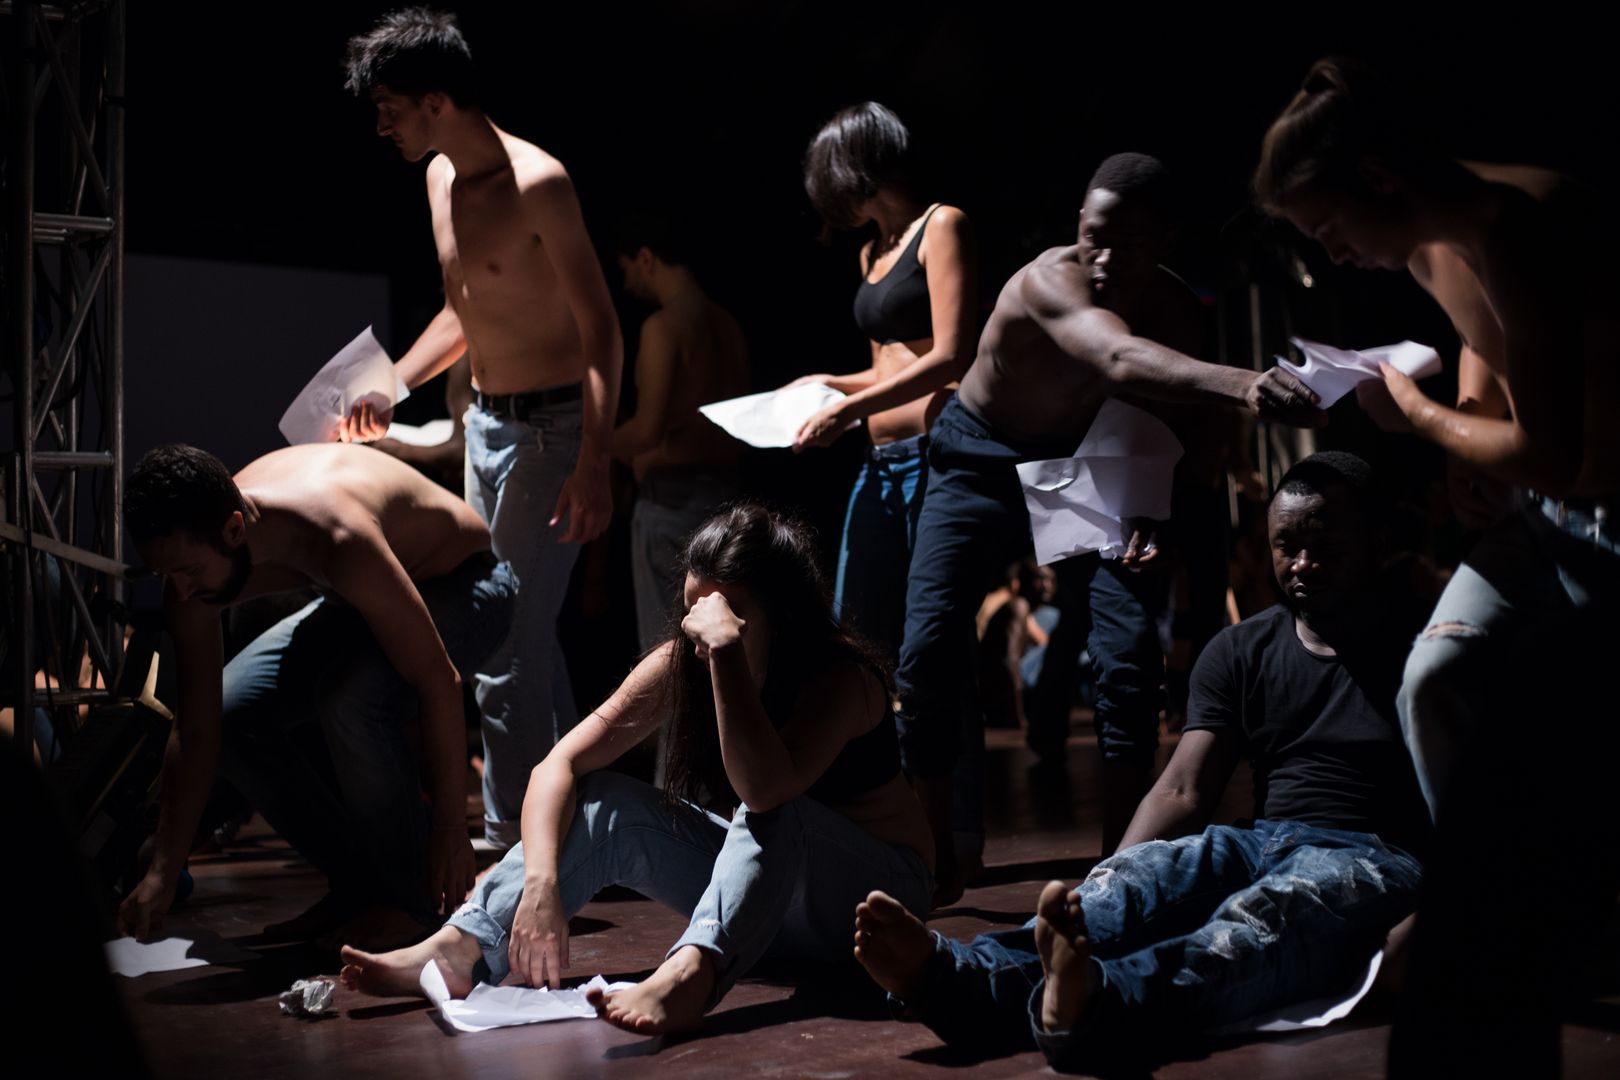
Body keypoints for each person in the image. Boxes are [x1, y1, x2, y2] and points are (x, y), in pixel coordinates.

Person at [1255, 57, 1620, 1073]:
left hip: (1607, 521)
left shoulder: (1523, 223)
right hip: (1544, 522)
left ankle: (1536, 921)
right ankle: (1508, 913)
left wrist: (1416, 415)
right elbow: (1488, 355)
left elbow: (1551, 449)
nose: (1333, 256)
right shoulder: (1426, 251)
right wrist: (1469, 429)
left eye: (1330, 229)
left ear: (1378, 178)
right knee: (1437, 675)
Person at [853, 452, 1429, 1072]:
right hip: (1259, 841)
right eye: (1286, 546)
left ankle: (1102, 999)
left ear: (1376, 542)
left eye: (1326, 547)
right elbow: (1182, 791)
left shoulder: (1426, 645)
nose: (1302, 564)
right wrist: (1107, 885)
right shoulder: (1242, 649)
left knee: (1259, 924)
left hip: (1371, 855)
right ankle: (952, 975)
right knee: (1142, 886)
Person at [896, 152, 1324, 898]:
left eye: (1128, 245)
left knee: (1128, 655)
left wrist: (1158, 510)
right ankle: (932, 862)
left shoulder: (1176, 312)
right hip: (979, 457)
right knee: (927, 648)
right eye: (1094, 236)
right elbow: (1118, 356)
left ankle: (1116, 872)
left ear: (1163, 244)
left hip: (1089, 463)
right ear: (1078, 227)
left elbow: (1195, 436)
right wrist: (1246, 383)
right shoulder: (1045, 283)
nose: (1103, 258)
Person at [339, 504, 933, 1036]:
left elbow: (767, 788)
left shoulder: (839, 681)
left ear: (781, 617)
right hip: (769, 911)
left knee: (774, 809)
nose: (702, 632)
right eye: (695, 613)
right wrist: (542, 884)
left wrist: (726, 650)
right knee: (606, 804)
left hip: (871, 910)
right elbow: (558, 764)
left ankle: (691, 972)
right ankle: (460, 947)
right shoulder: (686, 662)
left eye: (725, 615)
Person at [340, 8, 624, 849]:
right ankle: (575, 829)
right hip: (487, 429)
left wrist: (595, 461)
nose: (381, 125)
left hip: (551, 434)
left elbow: (602, 331)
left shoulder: (539, 183)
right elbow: (463, 312)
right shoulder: (438, 179)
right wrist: (394, 382)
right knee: (526, 640)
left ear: (436, 101)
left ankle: (511, 847)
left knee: (502, 640)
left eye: (389, 107)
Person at [116, 443, 514, 945]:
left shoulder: (337, 536)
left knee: (351, 699)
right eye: (165, 575)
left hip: (471, 584)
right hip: (357, 598)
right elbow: (196, 727)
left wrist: (451, 831)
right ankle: (359, 891)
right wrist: (163, 871)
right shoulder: (196, 563)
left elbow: (439, 679)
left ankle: (404, 905)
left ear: (234, 530)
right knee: (233, 714)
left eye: (189, 573)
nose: (180, 591)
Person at [791, 101, 979, 660]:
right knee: (856, 620)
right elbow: (884, 369)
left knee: (935, 625)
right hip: (880, 462)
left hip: (935, 454)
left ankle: (950, 724)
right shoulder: (870, 253)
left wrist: (848, 410)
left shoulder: (942, 225)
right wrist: (830, 384)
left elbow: (951, 357)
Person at [611, 218, 751, 653]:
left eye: (626, 269)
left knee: (666, 652)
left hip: (670, 499)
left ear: (646, 258)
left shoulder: (663, 327)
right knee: (719, 644)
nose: (627, 284)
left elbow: (647, 429)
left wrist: (589, 444)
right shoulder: (728, 324)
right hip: (726, 501)